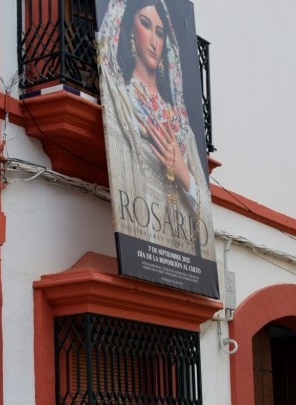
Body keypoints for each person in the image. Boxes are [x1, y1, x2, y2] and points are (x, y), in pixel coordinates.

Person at [98, 0, 212, 258]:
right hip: (140, 244)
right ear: (129, 28)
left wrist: (185, 174)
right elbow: (104, 51)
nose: (153, 40)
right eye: (145, 24)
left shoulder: (181, 124)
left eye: (160, 33)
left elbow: (206, 213)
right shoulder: (121, 100)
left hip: (181, 257)